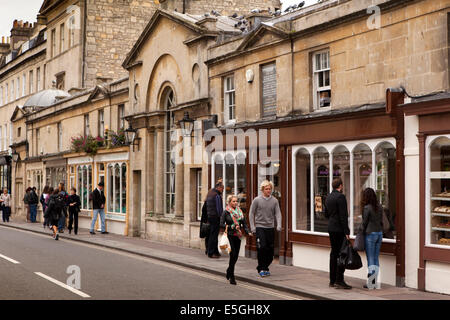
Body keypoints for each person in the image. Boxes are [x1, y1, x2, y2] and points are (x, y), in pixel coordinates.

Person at [249, 180, 282, 277]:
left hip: (270, 228)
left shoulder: (274, 201)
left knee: (270, 250)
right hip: (260, 227)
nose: (269, 190)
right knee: (262, 247)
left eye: (270, 189)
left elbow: (278, 213)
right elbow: (251, 213)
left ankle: (264, 266)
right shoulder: (257, 200)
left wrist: (279, 224)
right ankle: (262, 268)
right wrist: (252, 226)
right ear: (262, 190)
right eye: (266, 189)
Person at [324, 178, 352, 290]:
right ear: (340, 186)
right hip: (339, 229)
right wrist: (347, 232)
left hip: (331, 228)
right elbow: (343, 216)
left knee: (333, 254)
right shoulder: (341, 197)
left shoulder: (328, 197)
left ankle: (332, 280)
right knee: (342, 254)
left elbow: (326, 214)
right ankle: (339, 280)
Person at [220, 195, 252, 285]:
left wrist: (247, 232)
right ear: (229, 202)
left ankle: (229, 270)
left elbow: (244, 223)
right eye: (233, 201)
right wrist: (231, 226)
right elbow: (221, 224)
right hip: (230, 236)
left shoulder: (239, 212)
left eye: (236, 201)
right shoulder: (226, 212)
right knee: (233, 254)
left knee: (236, 256)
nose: (235, 203)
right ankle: (232, 276)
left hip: (238, 236)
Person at [361, 187, 383, 289]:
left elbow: (364, 223)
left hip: (370, 234)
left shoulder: (367, 208)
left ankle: (371, 283)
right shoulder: (379, 207)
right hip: (379, 234)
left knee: (370, 259)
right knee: (375, 258)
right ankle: (374, 282)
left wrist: (360, 231)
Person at [205, 180, 224, 258]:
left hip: (210, 217)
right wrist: (222, 219)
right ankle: (211, 252)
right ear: (219, 188)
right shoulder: (216, 195)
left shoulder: (210, 194)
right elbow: (219, 209)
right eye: (222, 188)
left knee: (211, 235)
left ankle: (214, 251)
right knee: (214, 235)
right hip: (215, 217)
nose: (223, 190)